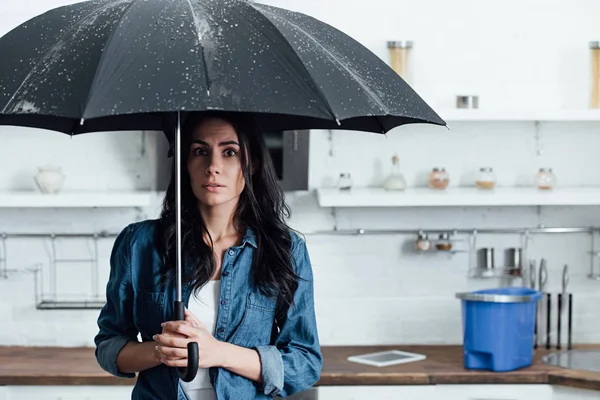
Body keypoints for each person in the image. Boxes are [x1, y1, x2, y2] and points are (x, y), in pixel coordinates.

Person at [94, 112, 322, 400]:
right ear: (185, 163)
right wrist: (161, 350)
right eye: (200, 151)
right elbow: (109, 347)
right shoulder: (139, 244)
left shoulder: (285, 249)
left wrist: (218, 353)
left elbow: (304, 364)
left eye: (229, 152)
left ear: (252, 164)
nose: (213, 167)